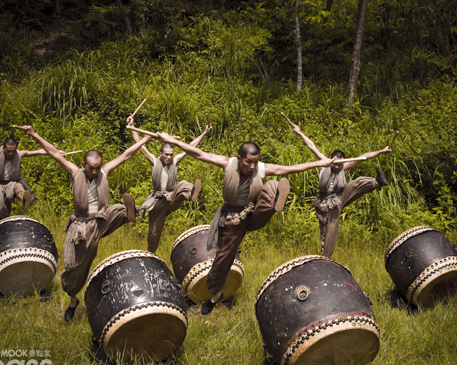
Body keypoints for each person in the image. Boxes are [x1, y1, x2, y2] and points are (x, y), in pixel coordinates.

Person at [155, 132, 337, 315]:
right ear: (239, 158)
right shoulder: (228, 164)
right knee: (223, 258)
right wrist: (170, 140)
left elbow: (290, 168)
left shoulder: (261, 169)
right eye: (248, 162)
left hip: (256, 212)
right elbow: (197, 153)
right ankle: (214, 296)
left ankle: (275, 202)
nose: (252, 166)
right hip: (233, 220)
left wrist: (321, 163)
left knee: (272, 186)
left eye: (255, 162)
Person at [14, 124, 152, 322]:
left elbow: (126, 156)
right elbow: (53, 153)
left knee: (118, 209)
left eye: (97, 167)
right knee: (76, 266)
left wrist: (144, 140)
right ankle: (73, 301)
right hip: (82, 226)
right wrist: (34, 134)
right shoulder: (75, 172)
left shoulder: (104, 171)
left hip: (102, 220)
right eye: (91, 168)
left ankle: (129, 215)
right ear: (83, 164)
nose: (95, 172)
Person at [292, 124, 391, 258]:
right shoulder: (324, 162)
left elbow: (364, 157)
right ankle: (325, 257)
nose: (337, 167)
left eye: (340, 164)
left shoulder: (344, 168)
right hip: (324, 202)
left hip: (340, 196)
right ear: (331, 159)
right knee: (327, 232)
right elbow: (311, 146)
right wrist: (300, 132)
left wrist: (381, 151)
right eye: (335, 163)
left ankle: (376, 182)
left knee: (357, 183)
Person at [129, 116, 210, 253]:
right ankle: (151, 255)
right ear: (160, 153)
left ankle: (191, 194)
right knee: (153, 234)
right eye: (166, 155)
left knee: (184, 185)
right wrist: (132, 127)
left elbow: (190, 147)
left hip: (173, 196)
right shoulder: (154, 161)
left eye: (171, 155)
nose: (169, 157)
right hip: (158, 201)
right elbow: (140, 145)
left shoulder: (175, 161)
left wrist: (203, 133)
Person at [0, 138, 62, 222]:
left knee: (19, 188)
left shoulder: (19, 154)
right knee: (0, 208)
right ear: (4, 148)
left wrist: (57, 153)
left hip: (13, 182)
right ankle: (1, 223)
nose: (10, 153)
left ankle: (26, 200)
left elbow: (40, 151)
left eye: (13, 151)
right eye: (8, 151)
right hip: (0, 184)